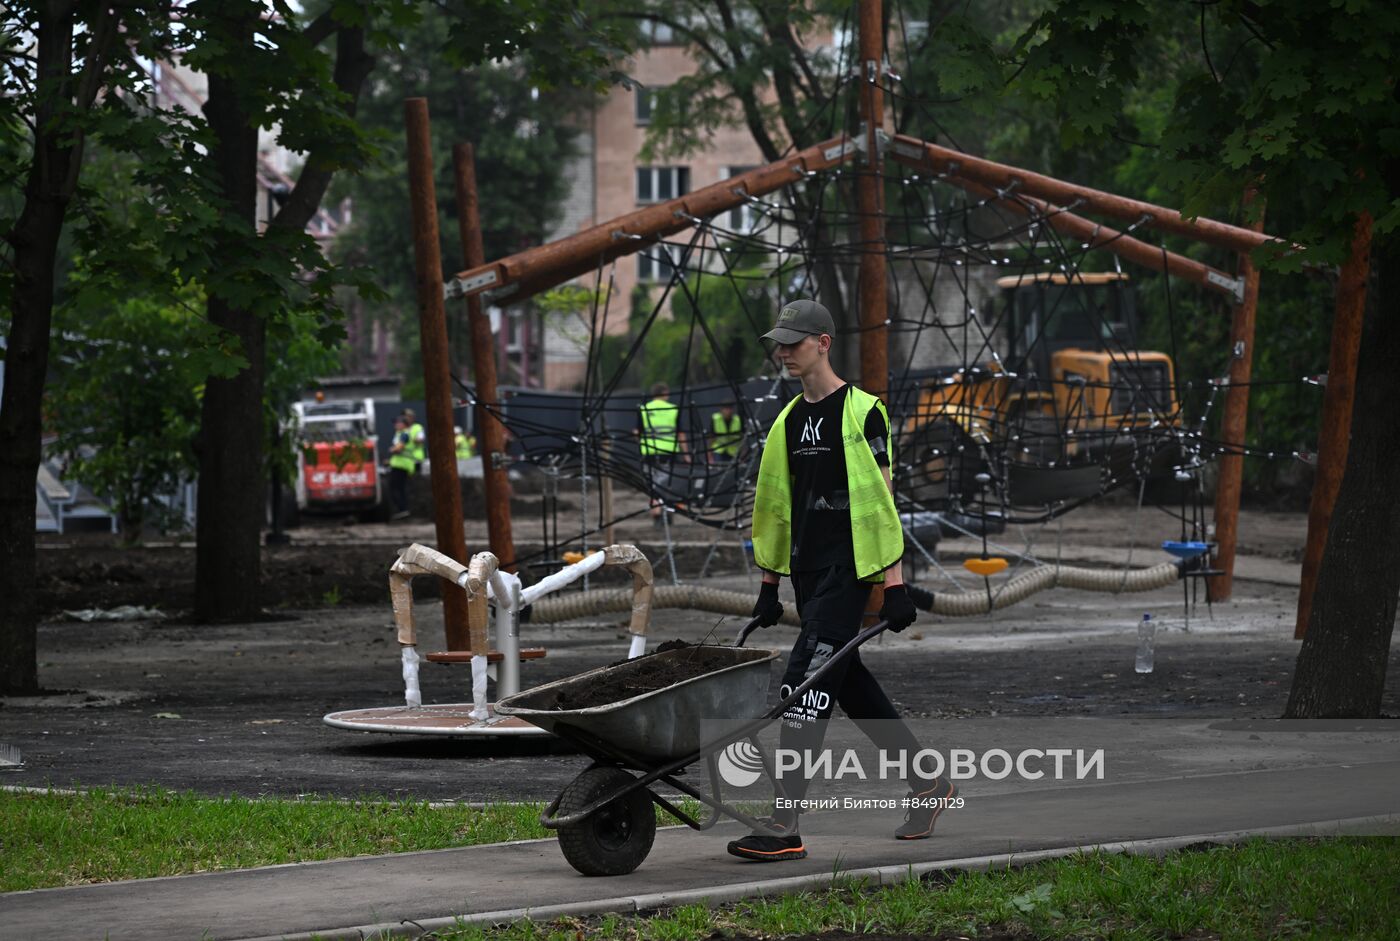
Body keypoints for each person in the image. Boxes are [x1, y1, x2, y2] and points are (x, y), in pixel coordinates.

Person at [728, 298, 955, 863]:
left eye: (794, 342)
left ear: (823, 342)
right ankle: (929, 784)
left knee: (804, 685)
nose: (783, 352)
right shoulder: (786, 421)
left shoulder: (863, 413)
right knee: (848, 683)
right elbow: (775, 506)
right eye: (779, 343)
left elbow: (881, 502)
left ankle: (783, 825)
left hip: (849, 572)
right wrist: (767, 584)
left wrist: (894, 584)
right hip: (807, 570)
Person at [635, 382, 687, 524]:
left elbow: (637, 433)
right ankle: (666, 512)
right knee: (667, 484)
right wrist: (686, 454)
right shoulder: (673, 409)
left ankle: (656, 514)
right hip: (668, 452)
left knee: (653, 484)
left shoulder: (644, 409)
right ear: (665, 394)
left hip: (649, 452)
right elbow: (680, 434)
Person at [387, 415, 414, 520]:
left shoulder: (404, 434)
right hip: (400, 464)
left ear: (404, 424)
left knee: (395, 488)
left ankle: (402, 509)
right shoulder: (400, 434)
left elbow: (400, 447)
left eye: (398, 423)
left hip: (401, 465)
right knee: (399, 488)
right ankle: (403, 510)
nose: (396, 425)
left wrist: (392, 449)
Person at [402, 408, 427, 474]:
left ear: (412, 418)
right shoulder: (402, 428)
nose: (406, 418)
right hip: (405, 460)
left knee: (416, 480)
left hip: (416, 459)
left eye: (408, 416)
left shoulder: (418, 427)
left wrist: (409, 438)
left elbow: (421, 440)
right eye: (405, 416)